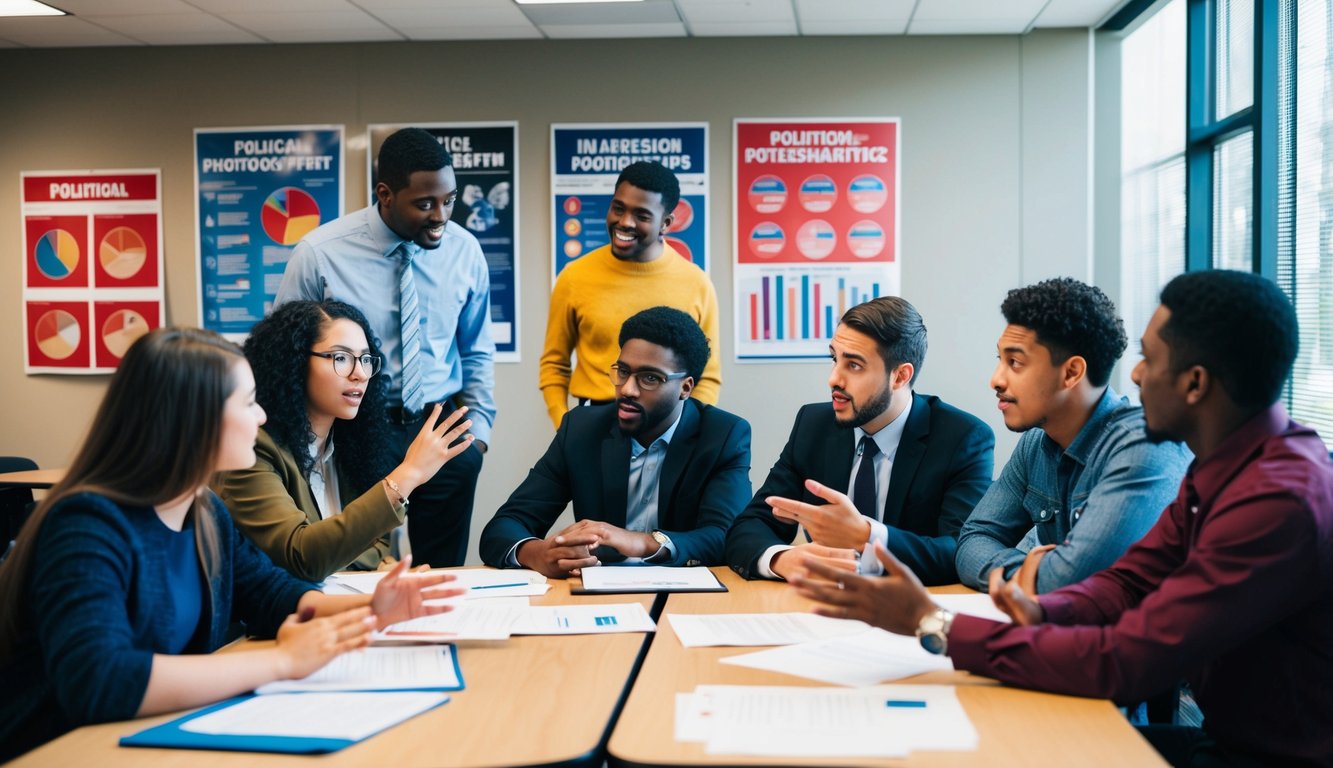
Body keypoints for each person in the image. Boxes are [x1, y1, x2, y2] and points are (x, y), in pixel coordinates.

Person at [794, 271, 1333, 767]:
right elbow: (1123, 582)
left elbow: (1125, 658)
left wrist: (933, 624)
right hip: (1229, 739)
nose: (1137, 375)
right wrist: (1038, 602)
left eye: (1149, 360)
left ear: (1194, 384)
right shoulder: (1223, 466)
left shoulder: (1277, 499)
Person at [0, 328, 462, 762]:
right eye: (248, 403)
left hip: (144, 740)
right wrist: (282, 662)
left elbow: (271, 595)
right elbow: (102, 680)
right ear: (191, 420)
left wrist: (373, 612)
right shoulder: (86, 526)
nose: (261, 417)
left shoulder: (204, 512)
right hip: (60, 751)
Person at [276, 127, 495, 567]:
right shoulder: (321, 253)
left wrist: (479, 435)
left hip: (441, 422)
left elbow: (475, 349)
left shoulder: (465, 251)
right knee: (361, 560)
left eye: (449, 200)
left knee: (442, 571)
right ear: (386, 194)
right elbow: (284, 354)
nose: (441, 216)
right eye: (425, 203)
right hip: (358, 424)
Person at [724, 297, 994, 586]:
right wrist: (782, 559)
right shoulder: (813, 425)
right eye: (834, 359)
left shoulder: (963, 438)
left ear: (900, 376)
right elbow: (748, 527)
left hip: (909, 608)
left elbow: (961, 551)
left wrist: (867, 536)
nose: (833, 379)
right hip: (820, 608)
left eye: (853, 365)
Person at [954, 277, 1191, 593]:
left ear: (1071, 373)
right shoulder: (1035, 444)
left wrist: (1032, 575)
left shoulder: (1143, 448)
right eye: (1000, 360)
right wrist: (1031, 575)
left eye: (1015, 363)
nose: (996, 380)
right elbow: (972, 541)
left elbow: (1071, 580)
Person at [217, 300, 474, 581]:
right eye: (341, 358)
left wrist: (385, 568)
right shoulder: (253, 448)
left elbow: (375, 547)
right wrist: (408, 475)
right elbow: (302, 556)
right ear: (295, 362)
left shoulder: (355, 444)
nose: (359, 374)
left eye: (365, 359)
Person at [482, 307, 750, 577]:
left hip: (689, 597)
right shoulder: (581, 429)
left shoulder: (722, 435)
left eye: (649, 378)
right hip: (603, 595)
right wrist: (538, 554)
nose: (628, 390)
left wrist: (641, 542)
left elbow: (726, 537)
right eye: (622, 371)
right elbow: (504, 526)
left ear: (685, 387)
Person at [540, 161, 722, 429]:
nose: (624, 222)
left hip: (668, 424)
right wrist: (563, 424)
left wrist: (687, 433)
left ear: (666, 223)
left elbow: (707, 375)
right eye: (618, 208)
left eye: (642, 215)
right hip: (593, 421)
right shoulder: (574, 276)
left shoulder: (696, 283)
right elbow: (554, 363)